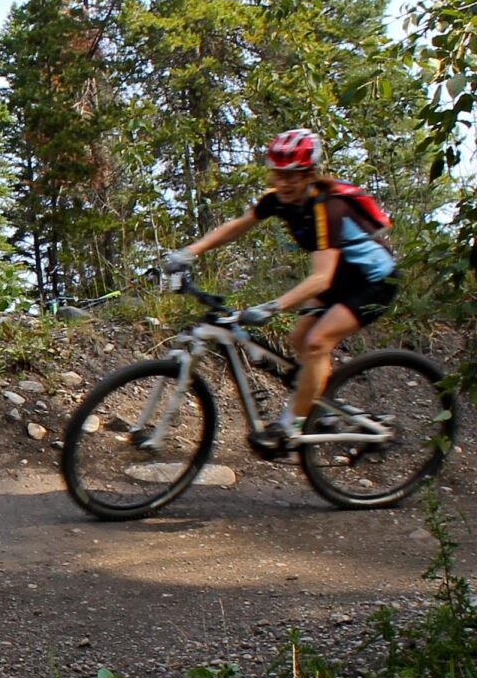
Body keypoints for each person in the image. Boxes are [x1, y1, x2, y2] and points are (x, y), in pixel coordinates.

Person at [164, 128, 398, 455]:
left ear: (310, 174)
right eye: (279, 174)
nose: (285, 182)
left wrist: (273, 307)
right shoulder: (278, 199)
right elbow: (239, 225)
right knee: (300, 339)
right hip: (339, 277)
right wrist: (190, 251)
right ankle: (325, 410)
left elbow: (320, 279)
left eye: (294, 176)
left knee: (317, 342)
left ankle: (292, 425)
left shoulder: (326, 208)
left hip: (373, 281)